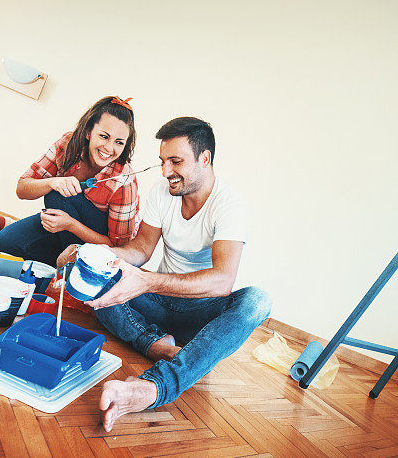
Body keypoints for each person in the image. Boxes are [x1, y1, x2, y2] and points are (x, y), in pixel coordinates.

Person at [56, 117, 271, 432]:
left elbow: (223, 281)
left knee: (258, 301)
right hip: (157, 301)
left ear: (205, 159)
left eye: (176, 161)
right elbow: (141, 249)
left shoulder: (230, 205)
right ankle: (156, 345)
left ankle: (153, 387)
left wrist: (145, 280)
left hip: (202, 313)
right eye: (162, 162)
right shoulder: (161, 192)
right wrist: (91, 252)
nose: (166, 171)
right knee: (99, 277)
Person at [0, 96, 140, 267]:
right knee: (6, 241)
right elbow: (22, 189)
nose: (109, 148)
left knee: (59, 197)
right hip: (64, 221)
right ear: (88, 132)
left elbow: (119, 246)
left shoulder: (124, 182)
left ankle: (69, 265)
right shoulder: (67, 144)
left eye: (119, 142)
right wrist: (52, 182)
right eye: (104, 136)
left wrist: (71, 225)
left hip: (96, 239)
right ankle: (57, 261)